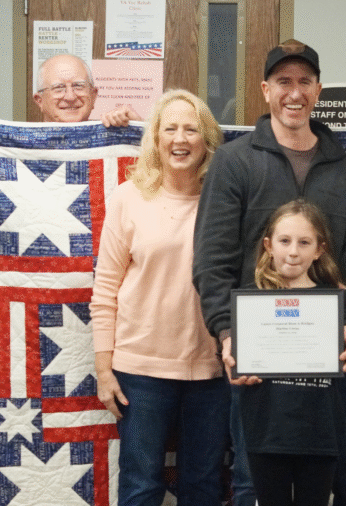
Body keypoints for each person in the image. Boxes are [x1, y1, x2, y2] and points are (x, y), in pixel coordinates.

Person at [192, 39, 346, 506]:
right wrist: (228, 334)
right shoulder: (234, 162)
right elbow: (212, 260)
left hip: (329, 352)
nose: (295, 93)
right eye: (283, 82)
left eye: (305, 82)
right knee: (254, 484)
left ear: (319, 90)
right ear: (265, 90)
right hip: (257, 354)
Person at [90, 89, 228, 506]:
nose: (180, 138)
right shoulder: (128, 199)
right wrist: (103, 369)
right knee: (141, 485)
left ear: (207, 140)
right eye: (170, 128)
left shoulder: (223, 201)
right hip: (140, 372)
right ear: (156, 137)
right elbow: (105, 290)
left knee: (204, 486)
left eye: (191, 129)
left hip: (211, 373)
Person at [221, 199, 346, 506]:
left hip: (320, 434)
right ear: (268, 245)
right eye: (284, 241)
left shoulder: (332, 302)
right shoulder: (251, 302)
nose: (293, 251)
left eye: (304, 242)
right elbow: (236, 363)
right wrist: (239, 369)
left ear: (319, 250)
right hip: (266, 434)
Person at [0, 53, 141, 220]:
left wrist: (141, 138)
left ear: (94, 96)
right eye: (58, 88)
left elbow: (162, 199)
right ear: (39, 100)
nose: (70, 96)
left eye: (79, 86)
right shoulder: (11, 153)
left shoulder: (115, 151)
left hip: (104, 281)